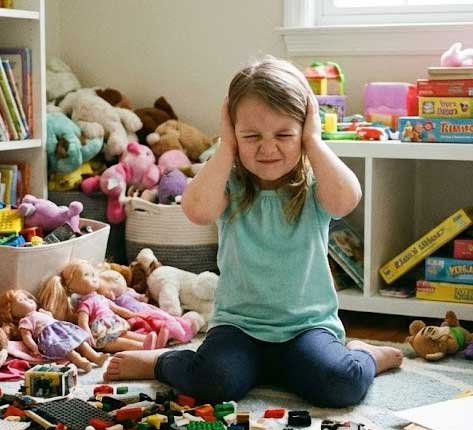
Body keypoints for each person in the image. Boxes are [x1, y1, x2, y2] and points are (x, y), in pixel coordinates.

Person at [104, 57, 402, 407]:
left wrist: (314, 140)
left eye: (284, 135)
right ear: (233, 132)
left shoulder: (314, 183)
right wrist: (227, 148)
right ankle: (164, 362)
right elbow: (196, 210)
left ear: (303, 131)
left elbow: (347, 199)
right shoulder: (228, 183)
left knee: (341, 383)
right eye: (251, 136)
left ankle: (366, 354)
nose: (267, 147)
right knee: (213, 383)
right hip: (239, 328)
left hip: (306, 328)